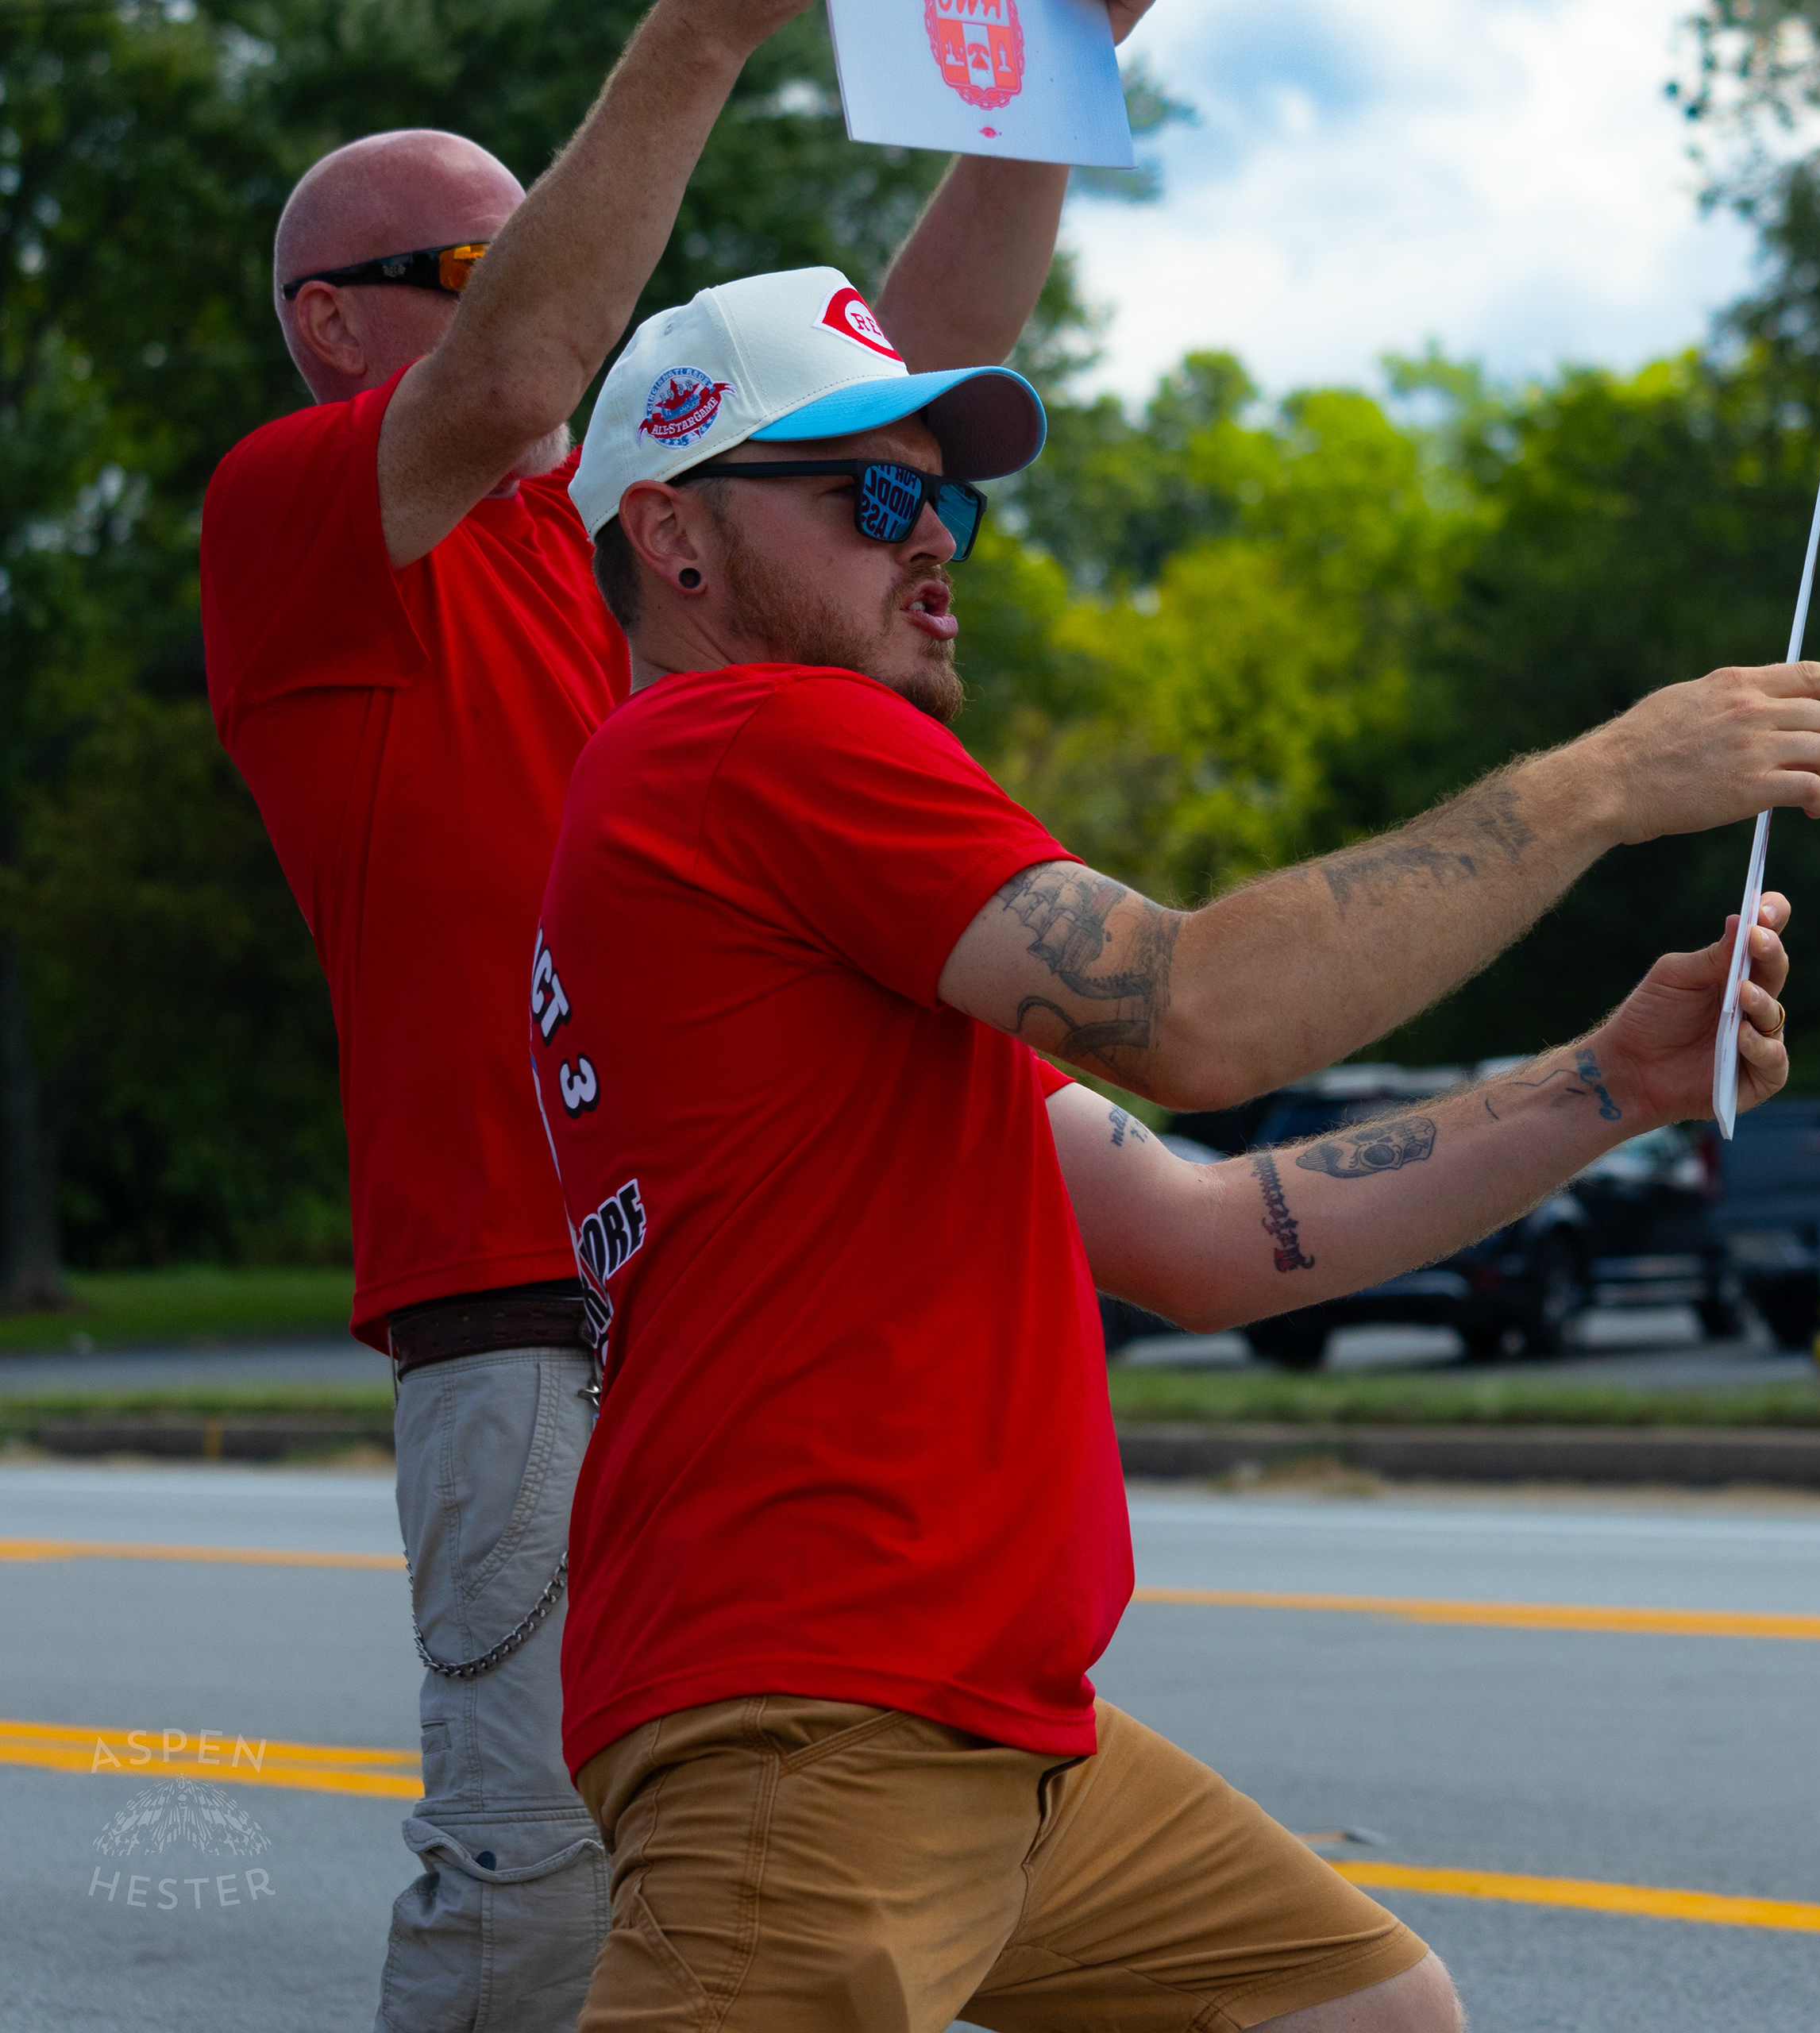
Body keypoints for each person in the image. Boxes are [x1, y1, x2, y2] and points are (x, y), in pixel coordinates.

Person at [528, 265, 1820, 2031]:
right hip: (818, 1721)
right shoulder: (761, 737)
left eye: (953, 500)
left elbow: (1202, 1229)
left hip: (993, 1726)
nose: (933, 538)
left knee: (1366, 2011)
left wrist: (1604, 1082)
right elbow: (1193, 1008)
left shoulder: (793, 890)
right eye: (873, 493)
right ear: (676, 539)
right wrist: (1603, 781)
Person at [196, 3, 1146, 2024]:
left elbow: (893, 396)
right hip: (538, 1312)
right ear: (332, 328)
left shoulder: (651, 545)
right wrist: (707, 31)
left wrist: (1045, 64)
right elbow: (529, 362)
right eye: (469, 257)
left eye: (538, 225)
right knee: (538, 1898)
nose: (540, 262)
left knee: (829, 1869)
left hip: (763, 1316)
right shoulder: (303, 523)